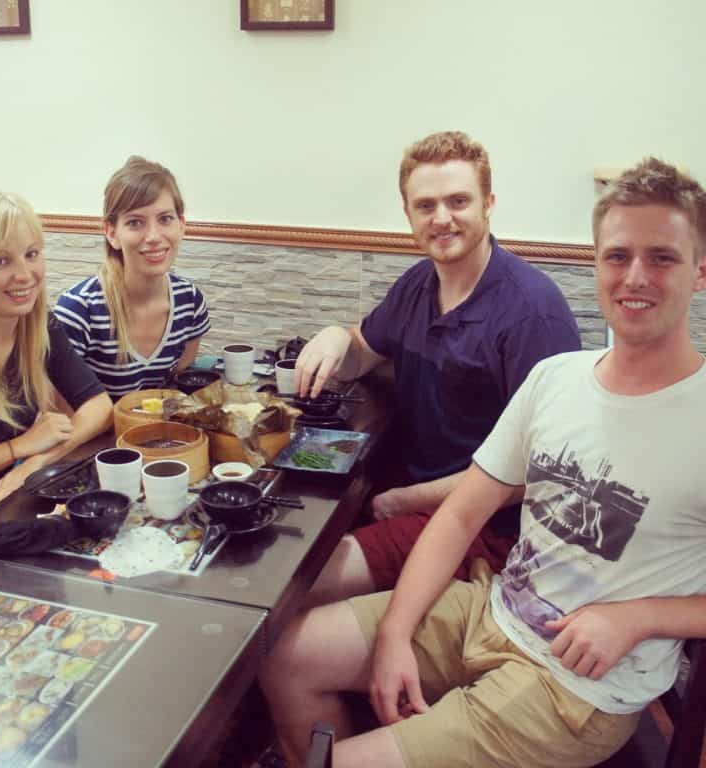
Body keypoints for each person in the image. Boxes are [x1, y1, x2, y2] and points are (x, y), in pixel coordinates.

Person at [260, 157, 706, 768]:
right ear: (596, 263)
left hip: (578, 688)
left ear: (700, 271)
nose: (635, 277)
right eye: (617, 256)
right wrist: (393, 634)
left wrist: (639, 617)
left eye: (662, 257)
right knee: (282, 653)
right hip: (492, 607)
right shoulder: (558, 379)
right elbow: (460, 513)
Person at [296, 131, 581, 607]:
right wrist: (335, 336)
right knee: (292, 538)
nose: (442, 218)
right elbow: (364, 349)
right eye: (425, 206)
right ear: (408, 213)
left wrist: (406, 500)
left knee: (302, 583)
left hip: (488, 527)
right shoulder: (417, 284)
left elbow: (538, 472)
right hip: (415, 492)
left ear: (488, 204)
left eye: (458, 201)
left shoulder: (532, 312)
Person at [0, 191, 113, 535]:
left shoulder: (38, 327)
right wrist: (17, 448)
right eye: (0, 261)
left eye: (31, 254)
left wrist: (37, 460)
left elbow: (99, 406)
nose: (25, 275)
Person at [54, 156, 210, 399]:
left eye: (165, 219)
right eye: (135, 222)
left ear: (181, 225)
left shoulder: (190, 302)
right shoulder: (77, 311)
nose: (153, 236)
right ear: (112, 232)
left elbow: (175, 390)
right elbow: (60, 411)